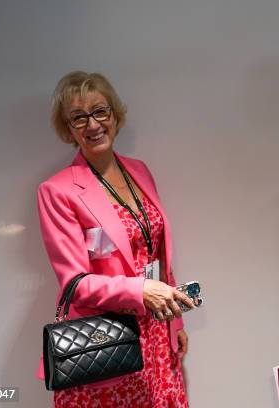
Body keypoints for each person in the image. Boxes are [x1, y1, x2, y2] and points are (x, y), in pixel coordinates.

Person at [36, 71, 194, 407]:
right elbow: (74, 284)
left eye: (99, 112)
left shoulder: (139, 170)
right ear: (68, 128)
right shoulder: (58, 191)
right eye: (78, 117)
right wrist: (140, 291)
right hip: (108, 341)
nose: (92, 125)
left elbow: (157, 254)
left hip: (156, 336)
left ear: (115, 115)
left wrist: (174, 319)